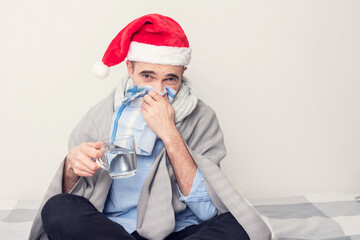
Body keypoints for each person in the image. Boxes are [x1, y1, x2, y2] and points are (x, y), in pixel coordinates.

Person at [29, 13, 271, 240]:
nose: (157, 90)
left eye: (170, 79)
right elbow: (79, 195)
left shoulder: (202, 118)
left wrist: (169, 133)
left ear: (183, 73)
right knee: (58, 208)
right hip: (112, 229)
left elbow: (207, 210)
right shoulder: (102, 115)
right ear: (129, 68)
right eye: (147, 76)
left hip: (181, 230)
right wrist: (72, 167)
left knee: (241, 224)